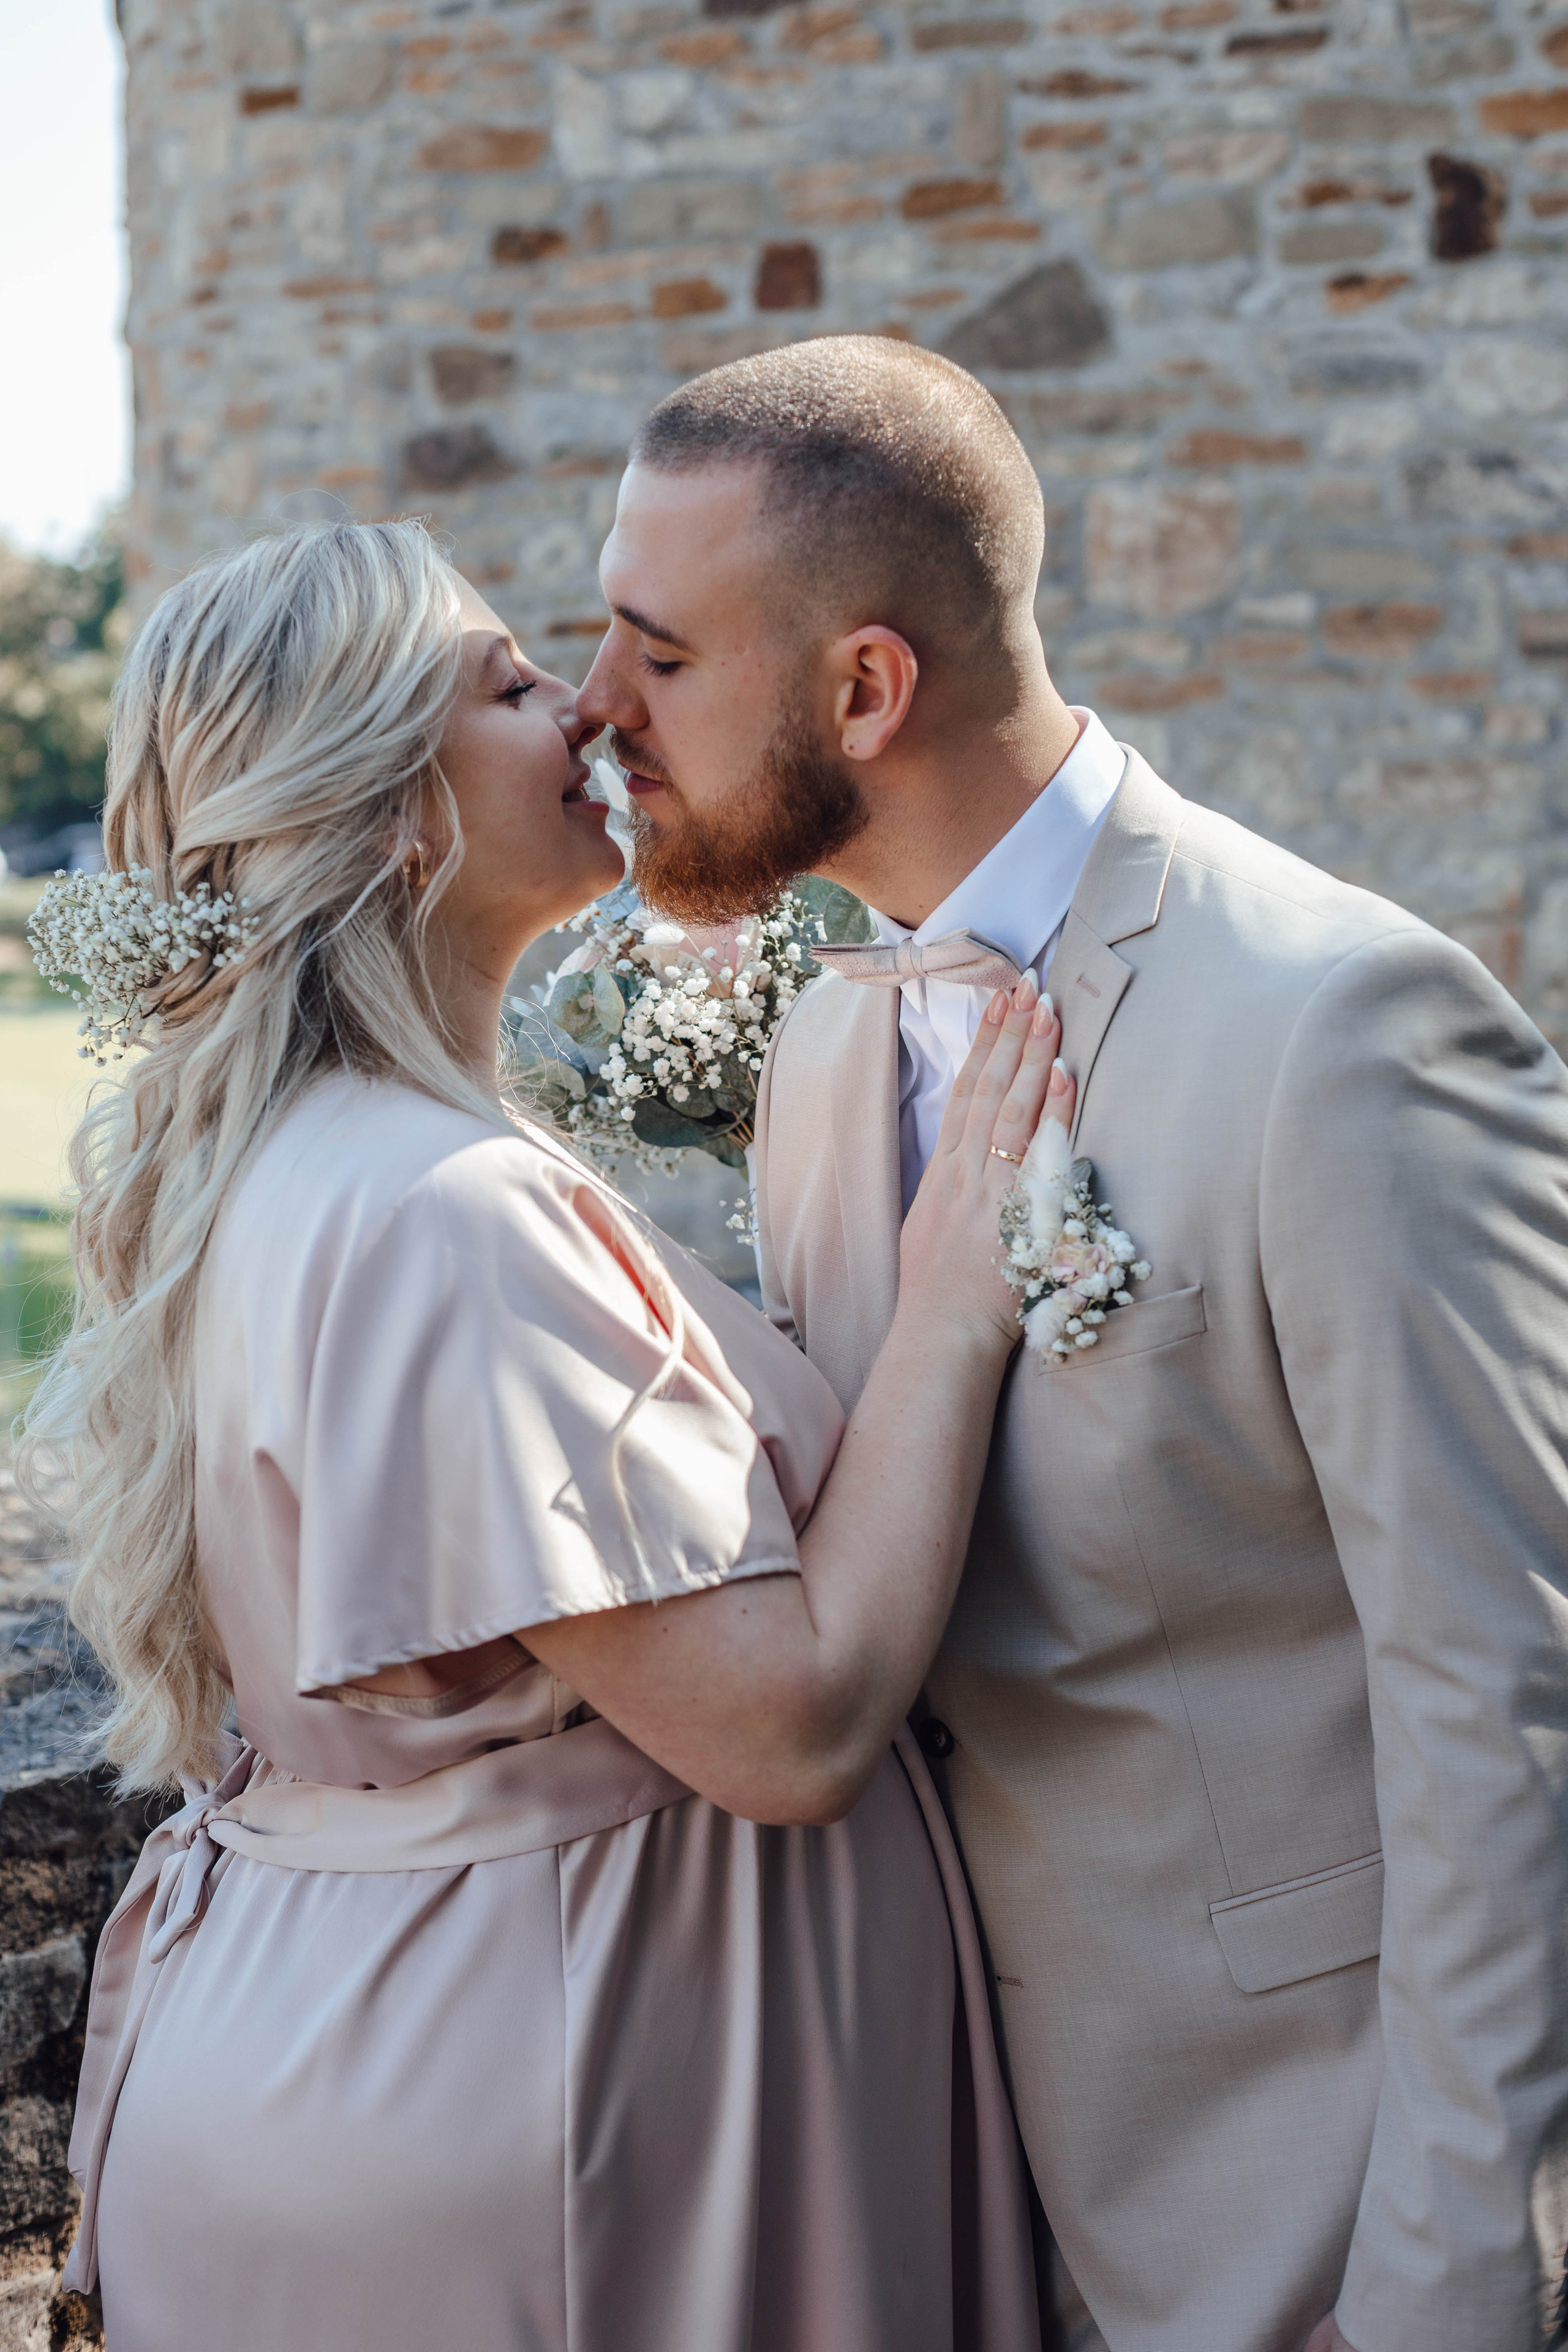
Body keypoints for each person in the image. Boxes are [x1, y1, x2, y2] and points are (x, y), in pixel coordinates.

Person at [575, 336, 1568, 2352]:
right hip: (937, 2199)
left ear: (865, 688)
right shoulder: (830, 1033)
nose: (596, 711)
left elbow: (1511, 1711)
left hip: (1307, 2208)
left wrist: (1454, 2284)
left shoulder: (1345, 1034)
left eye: (657, 657)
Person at [24, 519, 1074, 2350]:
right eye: (509, 687)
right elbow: (793, 1720)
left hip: (420, 2056)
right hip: (555, 2141)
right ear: (392, 813)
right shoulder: (445, 1213)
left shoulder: (299, 1165)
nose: (588, 706)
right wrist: (959, 1302)